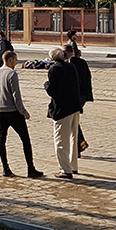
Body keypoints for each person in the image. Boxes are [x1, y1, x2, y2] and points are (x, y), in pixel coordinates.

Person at [0, 51, 43, 178]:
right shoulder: (12, 73)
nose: (17, 62)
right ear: (9, 60)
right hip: (13, 112)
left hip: (0, 111)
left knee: (2, 140)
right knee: (25, 140)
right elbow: (16, 96)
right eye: (15, 60)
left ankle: (5, 168)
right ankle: (31, 169)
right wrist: (24, 112)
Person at [46, 47, 83, 179]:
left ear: (52, 59)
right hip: (74, 106)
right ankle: (73, 166)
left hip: (62, 109)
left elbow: (53, 91)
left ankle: (65, 170)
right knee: (73, 137)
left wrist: (46, 85)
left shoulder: (54, 69)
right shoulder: (71, 67)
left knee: (61, 139)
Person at [68, 45, 94, 152]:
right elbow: (88, 77)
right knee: (73, 119)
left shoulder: (70, 64)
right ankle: (79, 145)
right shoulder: (82, 62)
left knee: (71, 120)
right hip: (83, 95)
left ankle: (80, 142)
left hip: (74, 95)